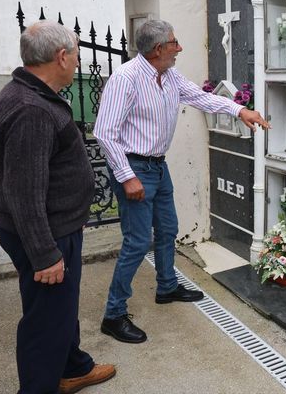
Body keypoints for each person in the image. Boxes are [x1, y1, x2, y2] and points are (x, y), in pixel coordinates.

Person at [94, 20, 269, 343]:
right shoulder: (126, 79)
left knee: (169, 229)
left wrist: (240, 111)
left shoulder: (169, 76)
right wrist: (127, 176)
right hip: (134, 168)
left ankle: (166, 286)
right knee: (136, 243)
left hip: (158, 167)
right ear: (158, 49)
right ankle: (114, 314)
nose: (180, 47)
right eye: (174, 42)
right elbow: (105, 133)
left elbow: (201, 99)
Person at [0, 20, 115, 393]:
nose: (77, 61)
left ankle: (73, 367)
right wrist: (45, 254)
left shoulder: (31, 94)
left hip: (57, 228)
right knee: (45, 323)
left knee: (59, 310)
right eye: (76, 54)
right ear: (61, 57)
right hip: (44, 236)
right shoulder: (31, 109)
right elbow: (23, 193)